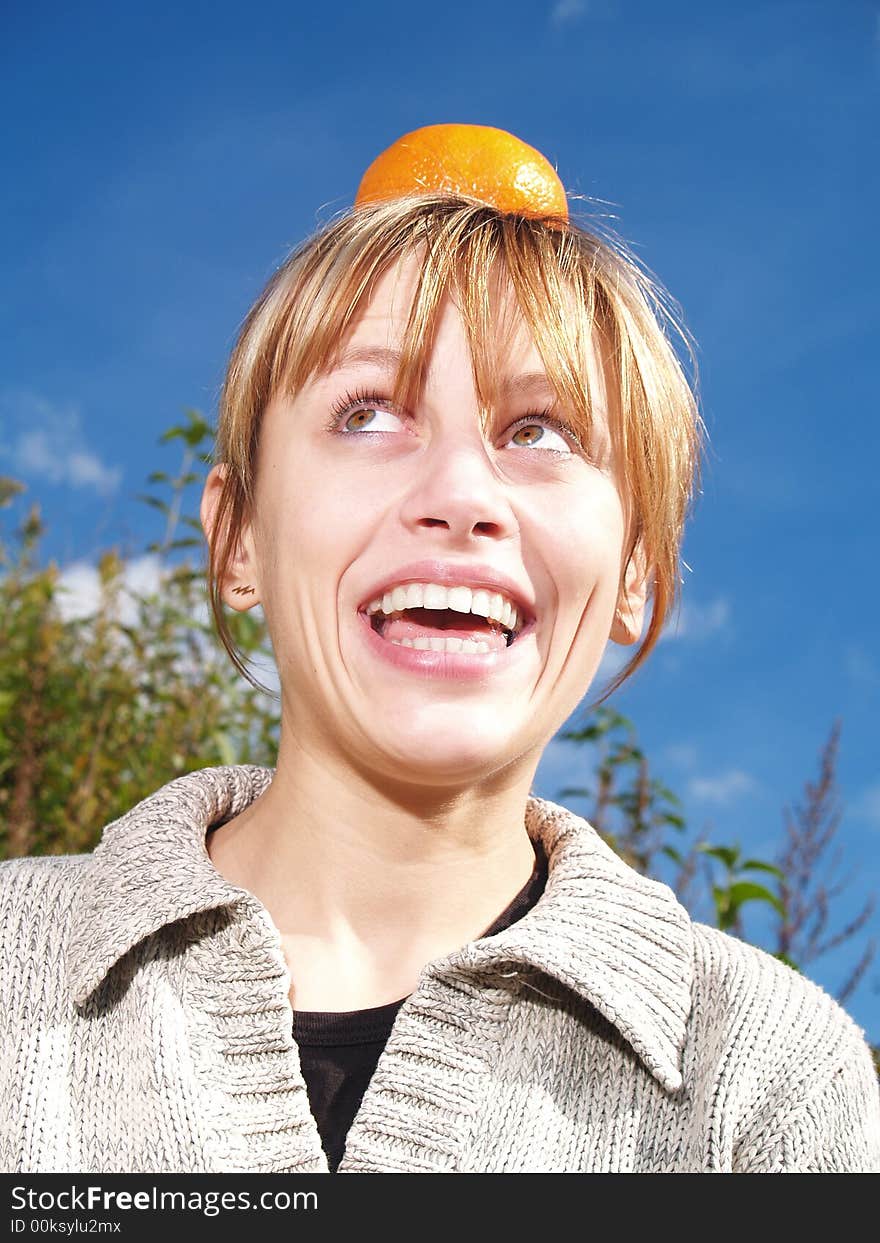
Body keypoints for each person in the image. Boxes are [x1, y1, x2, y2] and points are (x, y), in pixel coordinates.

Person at [1, 126, 878, 1175]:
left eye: (540, 431)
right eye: (366, 414)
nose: (461, 496)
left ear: (637, 571)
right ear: (238, 539)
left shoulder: (775, 1081)